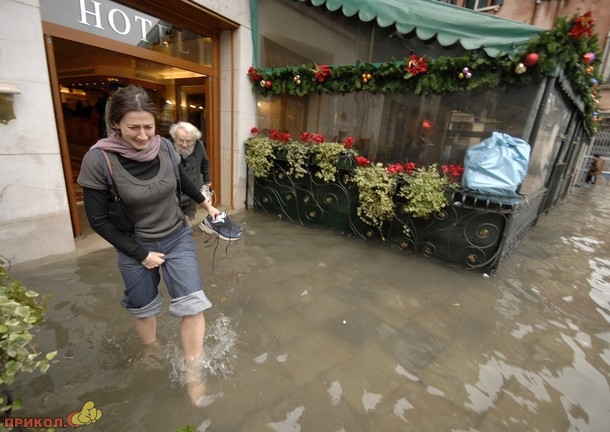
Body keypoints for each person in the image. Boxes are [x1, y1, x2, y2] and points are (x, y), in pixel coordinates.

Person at [77, 85, 219, 407]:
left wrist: (206, 205)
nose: (143, 135)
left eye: (148, 126)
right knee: (142, 307)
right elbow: (98, 221)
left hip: (176, 235)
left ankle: (193, 371)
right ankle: (152, 351)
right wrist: (141, 254)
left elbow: (184, 180)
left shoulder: (165, 146)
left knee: (193, 304)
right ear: (116, 124)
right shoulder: (99, 159)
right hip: (134, 244)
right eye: (133, 128)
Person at [169, 122, 211, 221]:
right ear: (175, 138)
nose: (184, 144)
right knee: (174, 223)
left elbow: (205, 162)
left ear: (194, 140)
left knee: (189, 221)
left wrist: (207, 180)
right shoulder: (168, 147)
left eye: (188, 141)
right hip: (173, 196)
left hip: (192, 193)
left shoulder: (199, 145)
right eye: (181, 140)